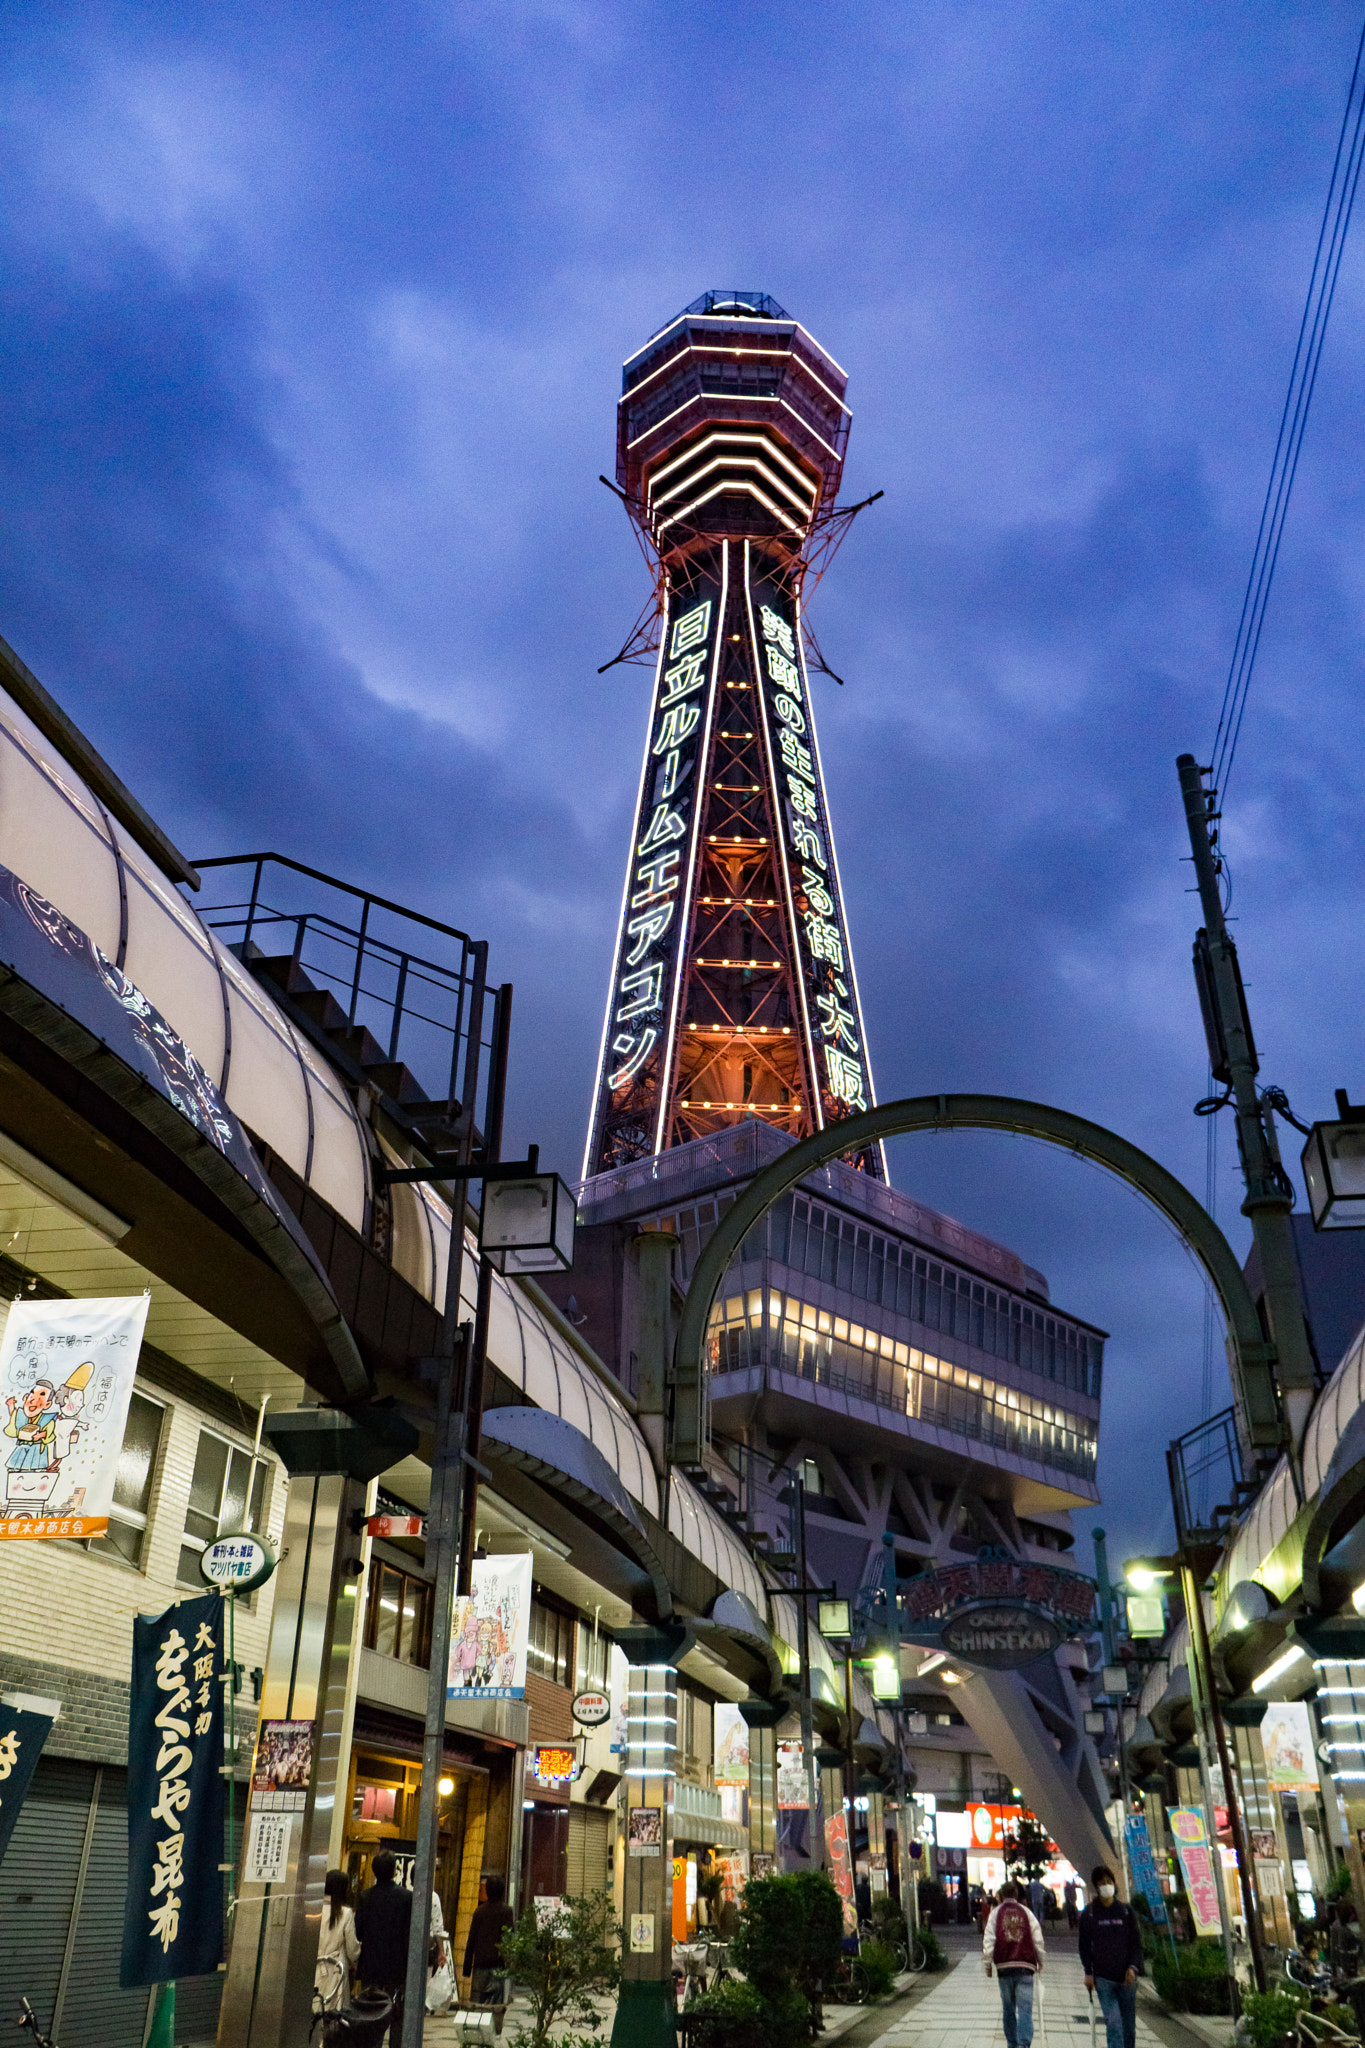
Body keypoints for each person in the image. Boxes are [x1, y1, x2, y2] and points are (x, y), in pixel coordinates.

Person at [1078, 1864, 1142, 2048]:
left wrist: (1133, 1967)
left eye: (1109, 1881)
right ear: (1096, 1888)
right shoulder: (1089, 1913)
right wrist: (1088, 1972)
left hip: (1127, 1979)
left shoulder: (1126, 1911)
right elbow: (1084, 1946)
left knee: (1128, 2027)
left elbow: (1136, 1944)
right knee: (1113, 2023)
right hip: (1103, 1979)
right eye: (1102, 1883)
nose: (1107, 1885)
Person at [354, 1851, 413, 2046]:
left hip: (371, 1966)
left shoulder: (365, 1897)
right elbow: (408, 1933)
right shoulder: (406, 1898)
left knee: (369, 2016)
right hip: (397, 1967)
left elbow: (359, 1932)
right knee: (397, 2017)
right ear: (395, 1871)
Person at [984, 1882, 1045, 2048]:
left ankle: (1012, 2042)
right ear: (1017, 1895)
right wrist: (1040, 1959)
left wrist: (988, 1964)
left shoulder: (996, 1913)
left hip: (1004, 1967)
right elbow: (1037, 1937)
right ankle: (1023, 2044)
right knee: (1025, 2009)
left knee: (1008, 2009)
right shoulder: (1026, 1913)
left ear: (1001, 1896)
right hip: (1025, 1966)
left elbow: (989, 1939)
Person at [464, 1874, 516, 2030]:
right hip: (497, 1966)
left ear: (487, 1891)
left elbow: (471, 1939)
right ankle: (493, 2033)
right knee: (494, 2006)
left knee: (477, 2004)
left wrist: (467, 1967)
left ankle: (476, 2033)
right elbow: (509, 1939)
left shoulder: (479, 1912)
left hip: (480, 1965)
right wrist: (510, 1965)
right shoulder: (507, 1911)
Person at [316, 1868, 361, 2010]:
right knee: (334, 2010)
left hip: (315, 1968)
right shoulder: (345, 1912)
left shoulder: (314, 1909)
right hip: (336, 1969)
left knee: (315, 2007)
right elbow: (353, 1951)